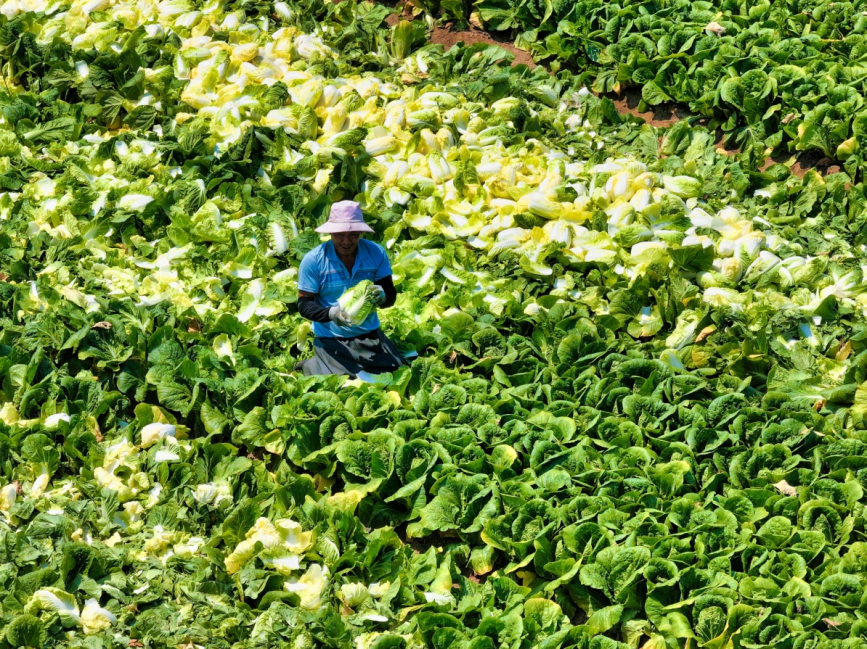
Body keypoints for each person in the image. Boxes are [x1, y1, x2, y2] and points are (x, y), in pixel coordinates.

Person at [295, 200, 409, 378]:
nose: (346, 241)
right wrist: (331, 314)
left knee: (392, 372)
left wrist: (383, 298)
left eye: (353, 235)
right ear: (331, 232)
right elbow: (304, 305)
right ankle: (311, 365)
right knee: (338, 382)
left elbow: (390, 296)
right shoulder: (314, 260)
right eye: (340, 235)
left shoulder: (376, 253)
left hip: (369, 334)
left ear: (361, 232)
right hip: (331, 338)